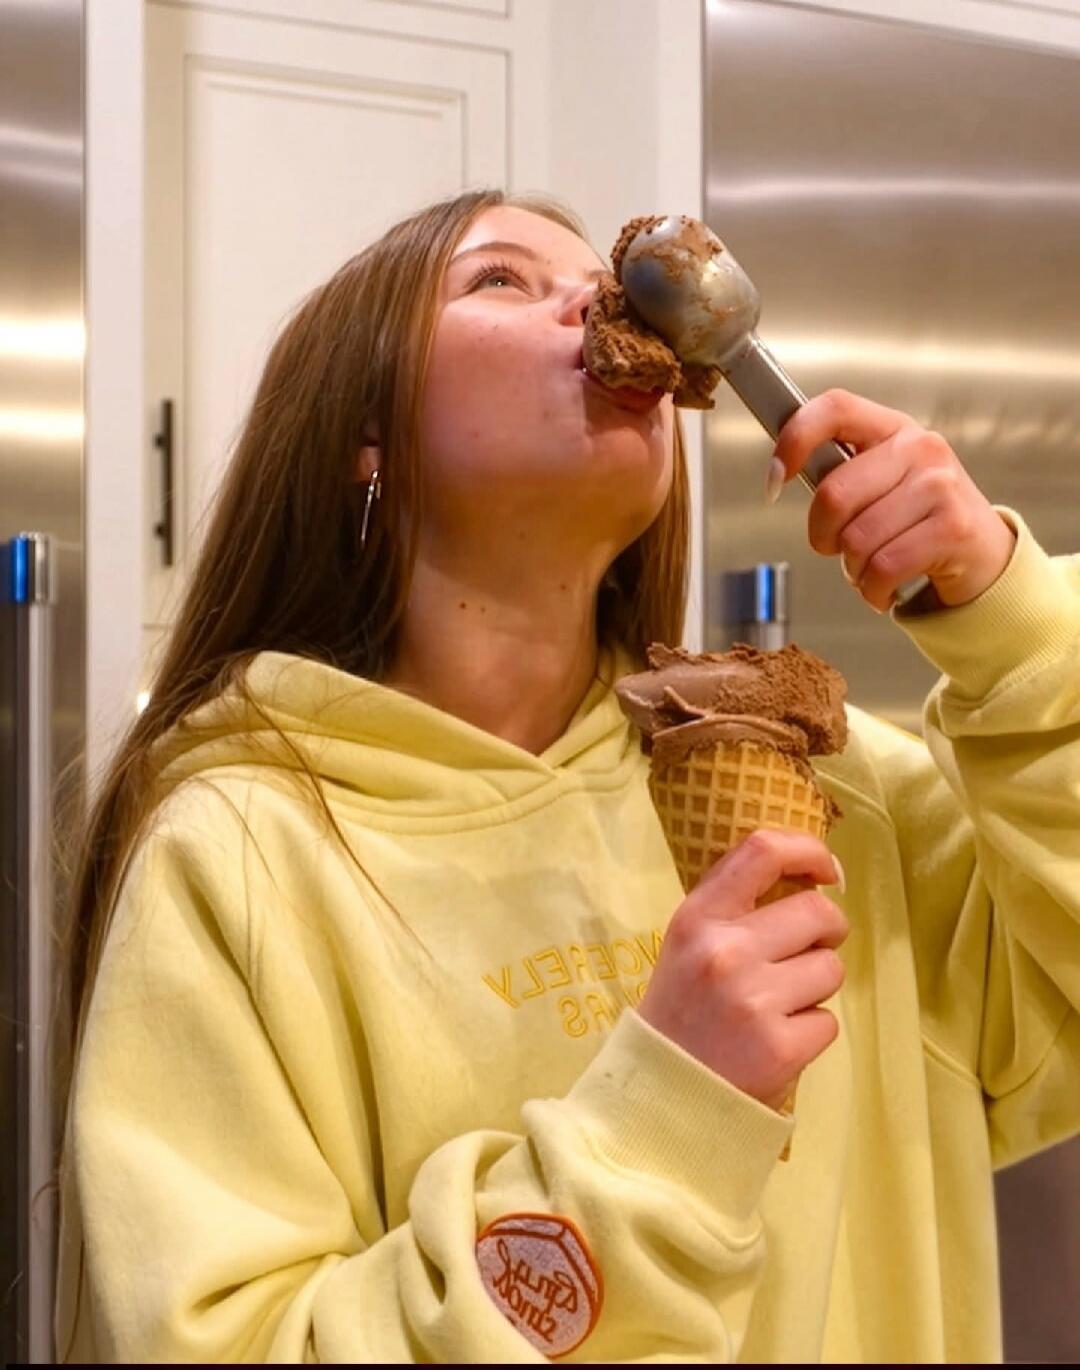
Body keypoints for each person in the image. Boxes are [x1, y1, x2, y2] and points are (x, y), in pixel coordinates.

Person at [56, 187, 1079, 1364]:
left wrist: (1014, 621)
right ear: (362, 438)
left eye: (599, 278)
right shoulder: (235, 854)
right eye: (500, 280)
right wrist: (674, 1111)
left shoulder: (840, 790)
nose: (600, 301)